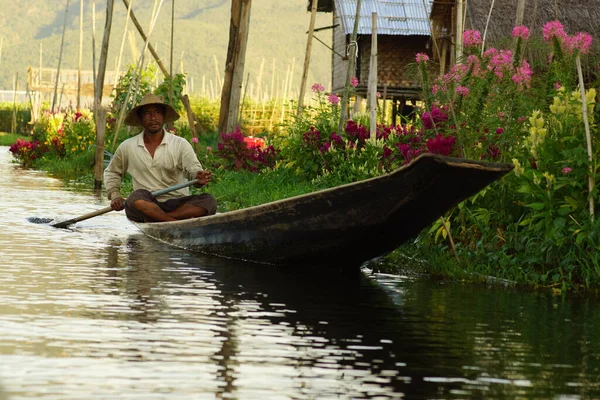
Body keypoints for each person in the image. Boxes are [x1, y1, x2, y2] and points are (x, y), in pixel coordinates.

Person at [104, 93, 217, 222]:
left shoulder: (180, 144)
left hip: (178, 203)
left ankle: (166, 219)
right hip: (147, 202)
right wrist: (115, 195)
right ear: (141, 119)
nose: (153, 118)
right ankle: (171, 221)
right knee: (134, 200)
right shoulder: (128, 147)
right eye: (147, 113)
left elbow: (193, 169)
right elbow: (112, 172)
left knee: (209, 201)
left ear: (163, 117)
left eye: (157, 113)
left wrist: (198, 176)